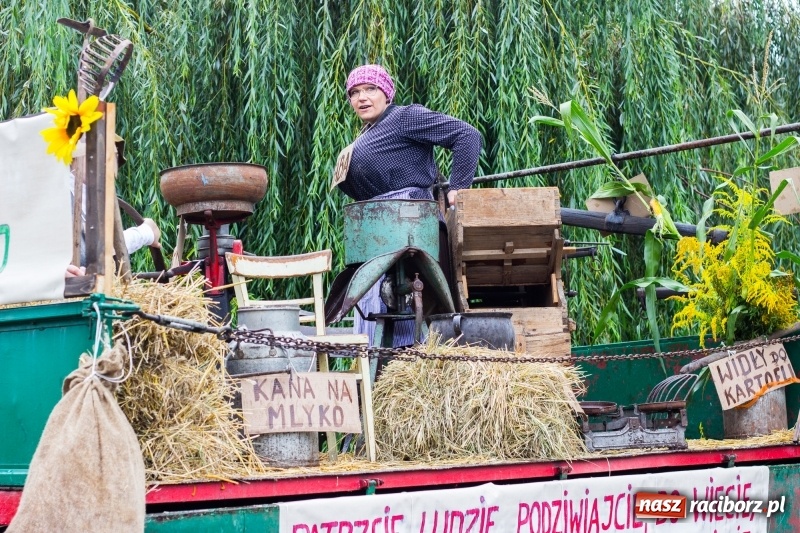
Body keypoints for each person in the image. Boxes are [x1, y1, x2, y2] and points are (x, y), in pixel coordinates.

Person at [333, 64, 482, 346]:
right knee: (378, 308)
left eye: (370, 89)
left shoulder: (405, 117)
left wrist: (458, 186)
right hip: (379, 232)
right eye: (354, 92)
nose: (361, 97)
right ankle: (381, 377)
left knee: (412, 305)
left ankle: (412, 365)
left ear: (387, 94)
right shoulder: (365, 134)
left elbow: (467, 135)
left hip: (410, 225)